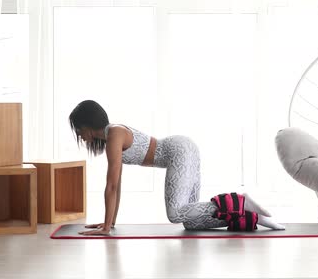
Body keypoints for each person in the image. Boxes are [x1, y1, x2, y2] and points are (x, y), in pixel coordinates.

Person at [69, 100, 284, 235]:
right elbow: (118, 185)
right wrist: (110, 223)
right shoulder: (111, 139)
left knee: (175, 213)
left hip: (178, 152)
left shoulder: (114, 133)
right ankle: (253, 216)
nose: (79, 135)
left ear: (86, 125)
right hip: (183, 150)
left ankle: (241, 200)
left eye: (78, 129)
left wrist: (106, 228)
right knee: (190, 222)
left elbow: (112, 185)